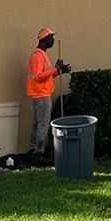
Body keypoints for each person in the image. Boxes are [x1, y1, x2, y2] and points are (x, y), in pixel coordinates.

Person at [26, 27, 70, 157]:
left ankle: (33, 149)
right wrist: (55, 68)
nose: (53, 40)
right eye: (51, 38)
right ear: (44, 40)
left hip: (41, 94)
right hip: (41, 95)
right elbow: (38, 77)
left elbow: (45, 76)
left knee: (38, 124)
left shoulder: (42, 55)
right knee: (43, 125)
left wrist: (58, 71)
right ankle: (38, 151)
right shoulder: (36, 56)